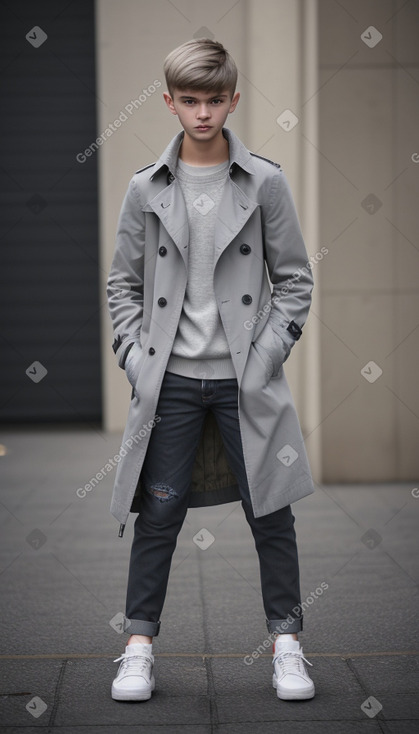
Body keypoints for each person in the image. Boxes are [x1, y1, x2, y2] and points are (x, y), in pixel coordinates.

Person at [107, 38, 315, 703]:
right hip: (167, 383)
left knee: (270, 511)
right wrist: (137, 361)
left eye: (213, 100)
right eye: (189, 101)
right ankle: (137, 646)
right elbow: (122, 286)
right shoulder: (146, 187)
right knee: (157, 514)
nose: (202, 113)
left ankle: (286, 644)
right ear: (168, 103)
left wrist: (262, 359)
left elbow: (293, 281)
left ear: (232, 98)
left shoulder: (264, 182)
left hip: (241, 383)